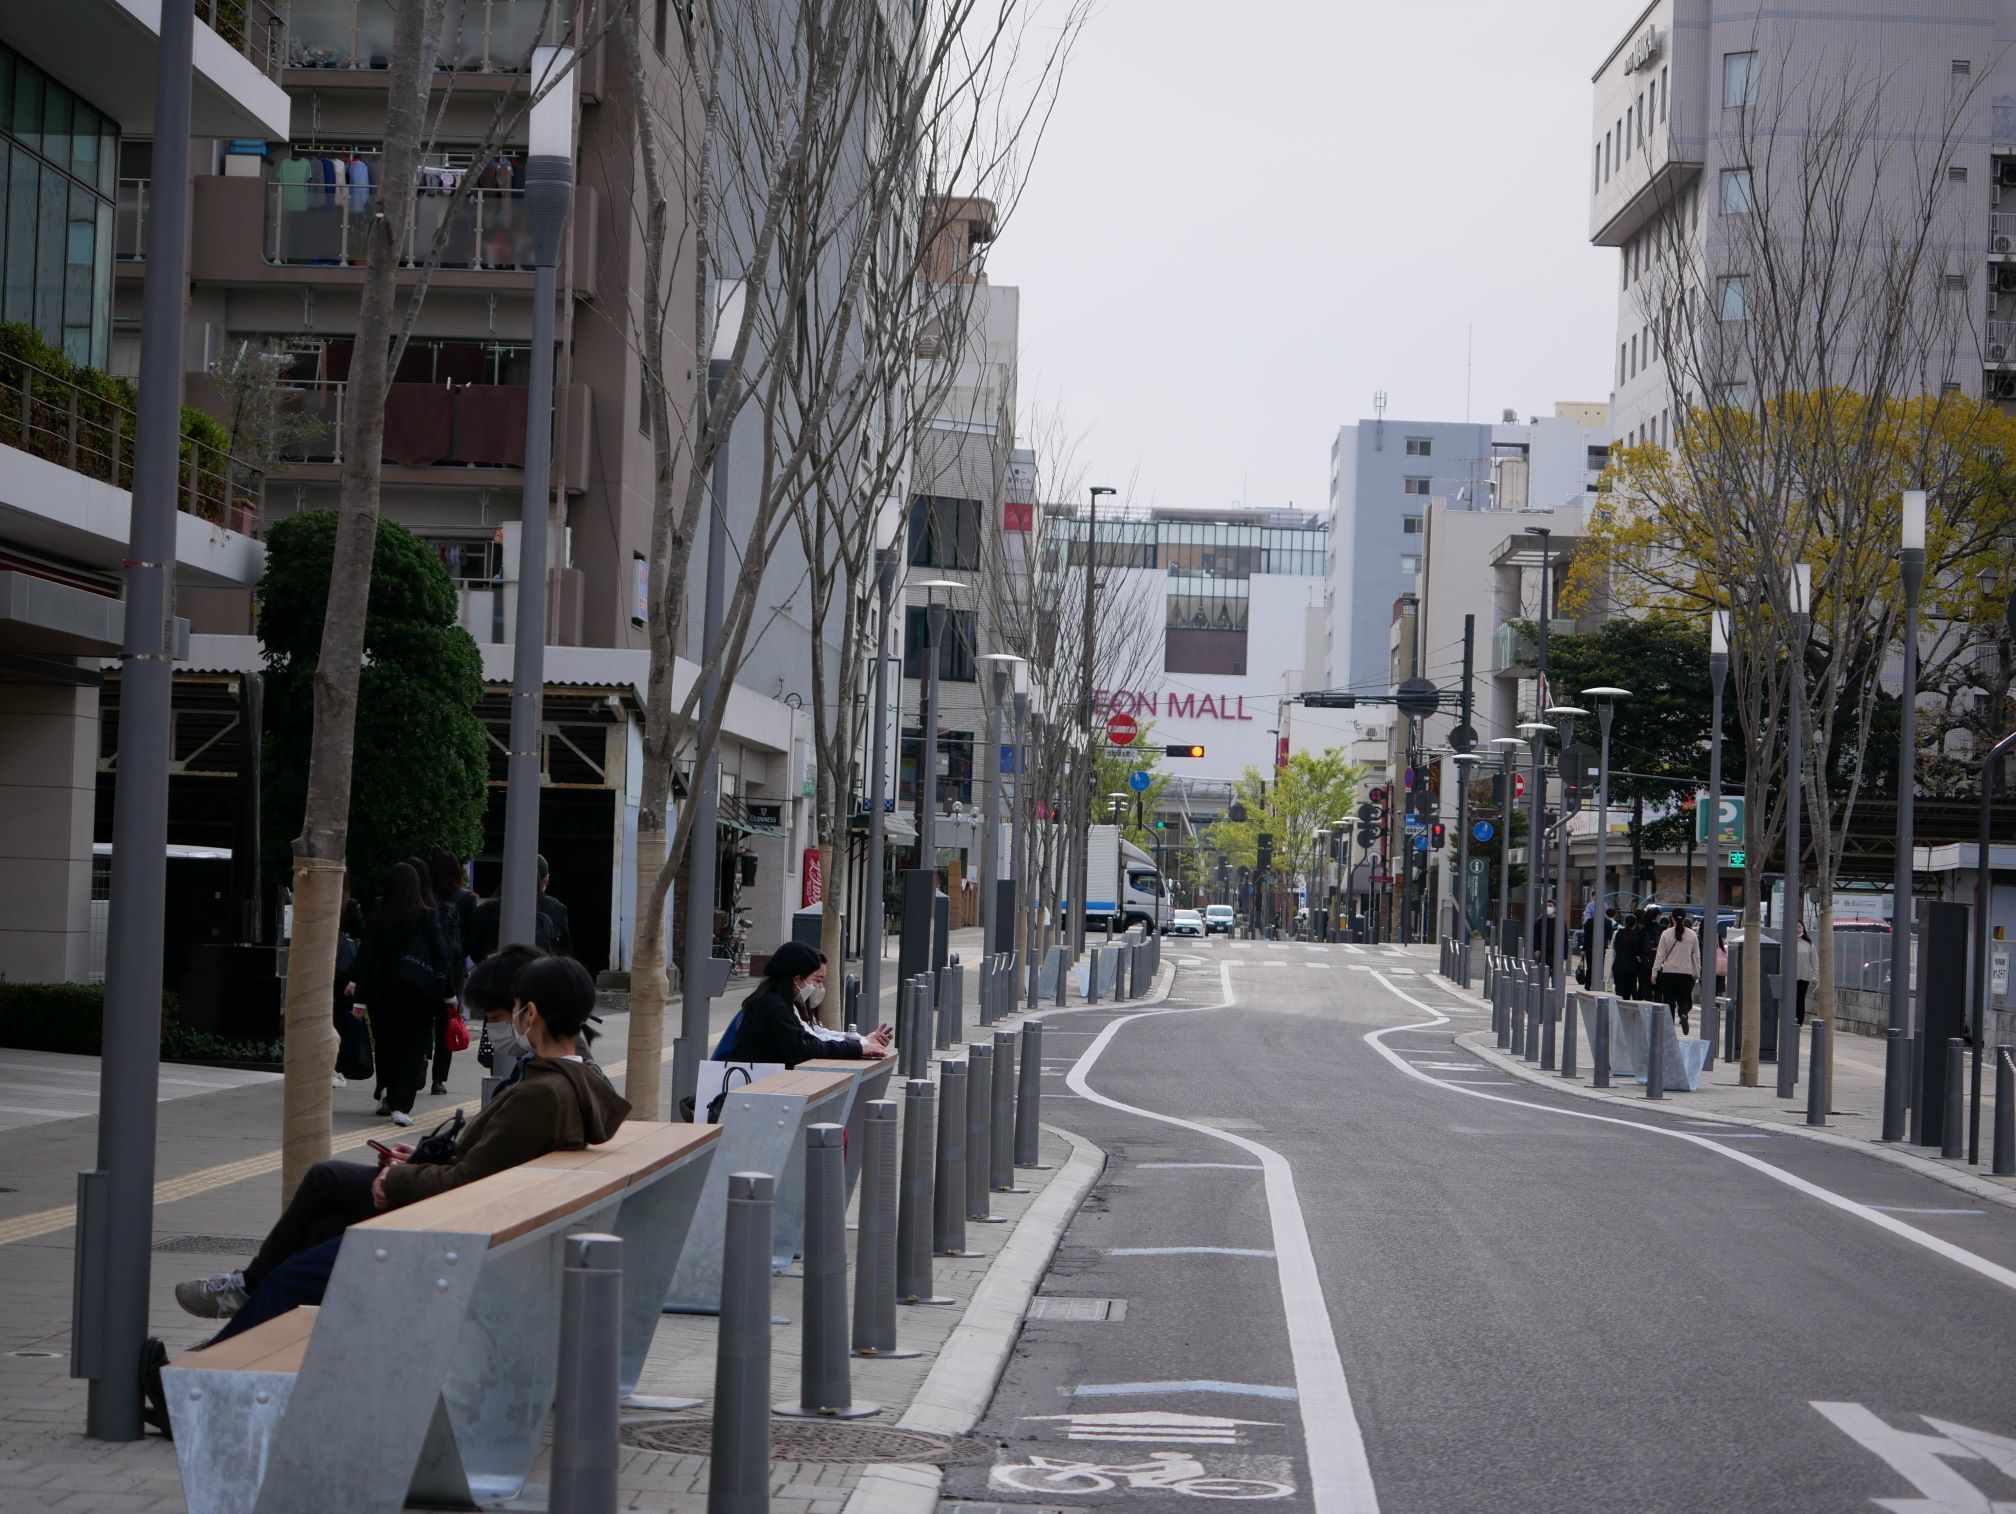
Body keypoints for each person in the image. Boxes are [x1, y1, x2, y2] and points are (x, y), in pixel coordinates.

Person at [149, 955, 626, 1437]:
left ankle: (191, 1395)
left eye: (515, 1009)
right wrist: (417, 1163)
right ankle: (219, 1369)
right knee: (319, 1226)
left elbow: (468, 1186)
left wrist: (396, 1180)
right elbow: (482, 1171)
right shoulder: (571, 1081)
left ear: (532, 1015)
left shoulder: (541, 1092)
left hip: (451, 1240)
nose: (506, 1022)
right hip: (483, 1233)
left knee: (294, 1277)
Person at [348, 862, 454, 1124]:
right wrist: (448, 993)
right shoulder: (428, 917)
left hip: (382, 995)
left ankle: (387, 1092)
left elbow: (366, 960)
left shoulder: (377, 919)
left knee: (386, 1046)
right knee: (413, 1048)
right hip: (420, 994)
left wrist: (360, 998)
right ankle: (401, 1106)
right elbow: (441, 956)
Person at [718, 941, 890, 1067]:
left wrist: (859, 1043)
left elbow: (811, 1040)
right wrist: (857, 1047)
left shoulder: (777, 1001)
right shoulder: (773, 1006)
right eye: (814, 980)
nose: (816, 987)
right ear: (797, 980)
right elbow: (802, 1049)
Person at [428, 851, 477, 1095]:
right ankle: (439, 1080)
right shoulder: (466, 899)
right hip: (454, 969)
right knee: (447, 1022)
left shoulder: (426, 898)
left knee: (422, 1021)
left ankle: (417, 1066)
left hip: (425, 968)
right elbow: (471, 936)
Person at [1651, 910, 1700, 1035]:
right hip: (1686, 973)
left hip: (1668, 973)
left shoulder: (1666, 934)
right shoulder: (1692, 934)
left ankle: (1669, 1030)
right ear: (1684, 918)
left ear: (1671, 918)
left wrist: (1654, 972)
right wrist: (1697, 973)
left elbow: (1660, 955)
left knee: (1669, 1001)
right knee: (1684, 999)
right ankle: (1683, 1014)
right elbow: (1696, 956)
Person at [536, 853, 573, 958]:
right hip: (545, 969)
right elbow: (565, 951)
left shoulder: (504, 907)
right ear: (546, 879)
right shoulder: (558, 909)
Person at [1611, 909, 1645, 1001]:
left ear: (1625, 922)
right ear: (1635, 924)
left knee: (1619, 992)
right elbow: (1637, 951)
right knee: (1627, 993)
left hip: (1618, 965)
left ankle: (1618, 1011)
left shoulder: (1617, 934)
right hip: (1631, 967)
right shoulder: (1635, 936)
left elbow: (1614, 948)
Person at [1795, 920, 1817, 1025]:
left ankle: (1799, 1022)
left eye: (1799, 926)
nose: (1797, 928)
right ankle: (1790, 1020)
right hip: (1791, 976)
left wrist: (1816, 977)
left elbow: (1814, 961)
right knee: (1790, 999)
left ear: (1803, 928)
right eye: (1795, 926)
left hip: (1804, 977)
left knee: (1800, 999)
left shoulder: (1809, 943)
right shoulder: (1789, 942)